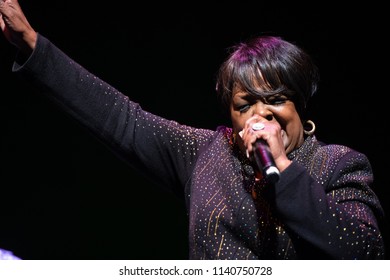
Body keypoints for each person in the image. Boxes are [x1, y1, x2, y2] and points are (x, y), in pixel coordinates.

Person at [0, 0, 386, 260]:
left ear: (299, 104)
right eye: (244, 105)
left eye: (275, 99)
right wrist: (33, 46)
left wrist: (283, 168)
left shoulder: (339, 165)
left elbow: (366, 252)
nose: (259, 115)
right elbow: (121, 119)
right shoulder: (209, 153)